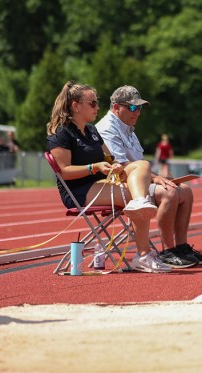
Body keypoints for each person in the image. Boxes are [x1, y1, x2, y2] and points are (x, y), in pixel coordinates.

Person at [47, 81, 172, 273]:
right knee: (134, 196)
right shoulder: (62, 133)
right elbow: (63, 171)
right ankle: (143, 255)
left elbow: (110, 158)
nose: (97, 107)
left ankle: (139, 205)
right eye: (92, 103)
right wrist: (94, 168)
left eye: (97, 102)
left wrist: (113, 166)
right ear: (76, 106)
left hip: (99, 183)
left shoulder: (92, 130)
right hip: (78, 191)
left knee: (142, 165)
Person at [96, 85, 202, 268]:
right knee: (169, 193)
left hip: (135, 180)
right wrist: (156, 179)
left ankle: (181, 248)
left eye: (139, 107)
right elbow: (122, 169)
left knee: (185, 191)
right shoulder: (107, 129)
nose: (138, 112)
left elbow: (139, 164)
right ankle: (167, 252)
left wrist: (160, 177)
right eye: (133, 107)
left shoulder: (128, 128)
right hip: (120, 184)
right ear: (116, 107)